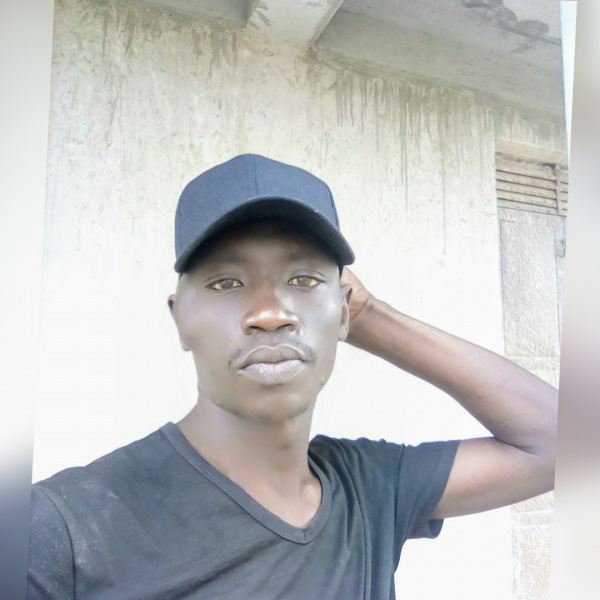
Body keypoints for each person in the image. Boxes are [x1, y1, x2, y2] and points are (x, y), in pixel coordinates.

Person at [27, 154, 557, 599]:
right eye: (226, 282)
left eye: (302, 280)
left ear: (344, 309)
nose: (270, 313)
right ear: (179, 318)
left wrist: (371, 316)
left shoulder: (368, 490)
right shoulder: (60, 528)